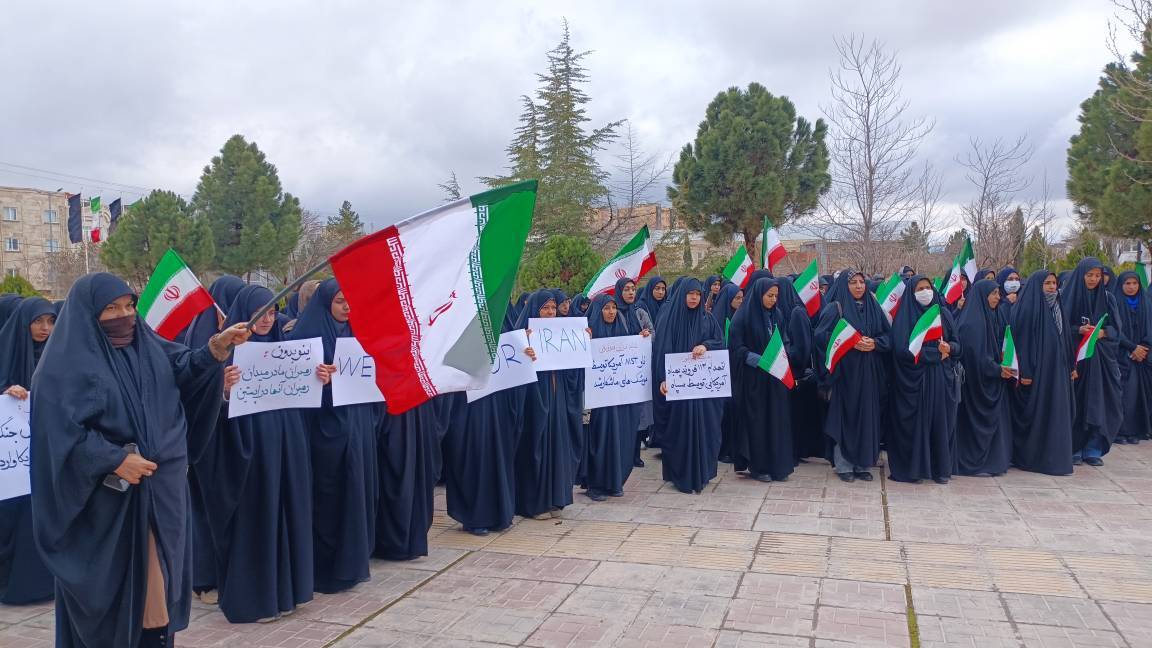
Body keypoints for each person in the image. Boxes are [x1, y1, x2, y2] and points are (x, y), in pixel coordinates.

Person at [31, 273, 248, 648]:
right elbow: (57, 433)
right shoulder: (62, 368)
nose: (124, 316)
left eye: (129, 306)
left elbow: (183, 368)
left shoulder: (147, 347)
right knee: (119, 601)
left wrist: (215, 348)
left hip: (159, 496)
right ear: (89, 314)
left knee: (157, 597)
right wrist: (113, 458)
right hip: (107, 506)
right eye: (111, 309)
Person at [204, 285, 324, 622]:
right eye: (261, 314)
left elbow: (302, 400)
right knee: (258, 517)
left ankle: (289, 592)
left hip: (288, 450)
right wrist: (223, 390)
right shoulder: (226, 355)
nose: (268, 320)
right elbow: (204, 411)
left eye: (273, 312)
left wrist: (319, 379)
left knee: (288, 511)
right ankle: (255, 598)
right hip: (250, 455)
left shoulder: (287, 350)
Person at [288, 279, 379, 593]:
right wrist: (318, 380)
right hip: (323, 436)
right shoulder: (305, 337)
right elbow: (294, 391)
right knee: (326, 501)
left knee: (355, 495)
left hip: (356, 431)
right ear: (326, 303)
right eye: (340, 301)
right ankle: (323, 570)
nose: (347, 307)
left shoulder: (358, 334)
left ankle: (351, 565)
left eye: (350, 300)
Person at [180, 273, 244, 604]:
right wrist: (220, 388)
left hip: (237, 437)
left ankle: (232, 573)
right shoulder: (198, 340)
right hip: (206, 438)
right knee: (205, 507)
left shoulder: (247, 339)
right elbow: (186, 389)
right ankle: (204, 579)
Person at [444, 321, 527, 535]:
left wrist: (526, 355)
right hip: (467, 409)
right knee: (473, 456)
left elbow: (514, 363)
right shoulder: (459, 322)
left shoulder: (502, 323)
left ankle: (499, 514)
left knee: (496, 457)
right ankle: (474, 518)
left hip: (498, 407)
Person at [0, 298, 57, 605]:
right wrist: (5, 391)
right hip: (11, 464)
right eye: (38, 321)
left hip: (45, 456)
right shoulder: (5, 353)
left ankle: (39, 585)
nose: (45, 328)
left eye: (51, 321)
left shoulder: (58, 357)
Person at [815, 270, 891, 483]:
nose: (859, 286)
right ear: (844, 286)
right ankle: (844, 465)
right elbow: (821, 337)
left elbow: (888, 336)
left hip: (869, 375)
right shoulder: (835, 308)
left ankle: (862, 464)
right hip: (845, 376)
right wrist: (850, 342)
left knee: (867, 418)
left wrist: (875, 343)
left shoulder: (873, 307)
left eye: (861, 282)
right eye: (853, 283)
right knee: (846, 418)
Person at [887, 276, 962, 484]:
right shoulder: (905, 317)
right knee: (914, 427)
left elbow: (958, 345)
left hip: (941, 382)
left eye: (928, 287)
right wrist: (936, 355)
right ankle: (913, 470)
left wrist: (950, 348)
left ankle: (939, 470)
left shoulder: (943, 314)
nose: (925, 292)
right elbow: (902, 350)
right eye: (919, 289)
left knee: (940, 425)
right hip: (913, 383)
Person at [654, 279, 725, 493]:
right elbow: (661, 351)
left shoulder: (708, 319)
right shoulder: (670, 320)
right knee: (680, 430)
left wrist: (706, 345)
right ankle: (681, 475)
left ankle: (702, 472)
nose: (694, 298)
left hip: (703, 391)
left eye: (698, 294)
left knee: (705, 429)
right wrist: (663, 378)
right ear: (682, 295)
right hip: (679, 389)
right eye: (690, 294)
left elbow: (720, 342)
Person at [515, 290, 581, 519]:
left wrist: (582, 342)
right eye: (545, 308)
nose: (551, 312)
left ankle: (555, 499)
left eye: (553, 308)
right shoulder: (522, 336)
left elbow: (574, 371)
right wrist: (523, 350)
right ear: (535, 309)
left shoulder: (562, 334)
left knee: (557, 445)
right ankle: (535, 504)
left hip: (557, 399)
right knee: (536, 445)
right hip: (534, 402)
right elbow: (512, 372)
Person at [728, 278, 796, 482]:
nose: (773, 300)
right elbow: (736, 348)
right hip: (753, 380)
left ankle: (778, 466)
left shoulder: (778, 314)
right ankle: (759, 467)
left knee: (776, 420)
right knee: (758, 423)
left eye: (776, 296)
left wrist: (782, 355)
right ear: (759, 294)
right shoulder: (743, 316)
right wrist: (759, 360)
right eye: (769, 295)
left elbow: (785, 339)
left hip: (775, 377)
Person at [1010, 271, 1074, 475]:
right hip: (1037, 374)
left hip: (1056, 372)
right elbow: (1023, 343)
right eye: (1047, 283)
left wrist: (1071, 366)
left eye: (1054, 283)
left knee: (1055, 413)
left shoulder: (1058, 306)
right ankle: (1032, 458)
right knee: (1037, 415)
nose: (1052, 287)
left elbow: (1065, 339)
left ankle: (1054, 458)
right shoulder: (1028, 308)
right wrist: (1026, 372)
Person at [583, 294, 646, 500]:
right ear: (598, 311)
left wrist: (641, 339)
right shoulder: (589, 334)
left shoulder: (623, 332)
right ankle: (595, 485)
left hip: (620, 398)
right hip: (599, 402)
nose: (611, 312)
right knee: (600, 439)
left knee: (620, 438)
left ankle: (614, 482)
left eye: (613, 308)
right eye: (606, 308)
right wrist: (585, 342)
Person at [1062, 258, 1123, 466]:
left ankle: (1093, 449)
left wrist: (1103, 332)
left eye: (1098, 275)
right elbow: (1061, 327)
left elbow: (1116, 328)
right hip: (1077, 359)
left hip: (1101, 360)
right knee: (1078, 402)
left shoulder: (1107, 298)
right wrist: (1078, 330)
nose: (1094, 279)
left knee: (1101, 402)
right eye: (1089, 275)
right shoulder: (1068, 297)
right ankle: (1074, 448)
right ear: (1081, 275)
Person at [374, 398, 446, 560]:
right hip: (411, 405)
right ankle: (407, 538)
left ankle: (395, 541)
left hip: (399, 406)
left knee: (400, 465)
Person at [955, 280, 1013, 476]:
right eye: (993, 293)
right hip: (975, 383)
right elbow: (977, 356)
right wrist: (996, 369)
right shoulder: (972, 323)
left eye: (998, 293)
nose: (998, 297)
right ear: (982, 295)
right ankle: (974, 462)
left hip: (989, 379)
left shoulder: (989, 316)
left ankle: (990, 461)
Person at [1113, 270, 1152, 444]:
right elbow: (1114, 329)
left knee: (1137, 395)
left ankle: (1135, 431)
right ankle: (1120, 432)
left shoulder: (1146, 302)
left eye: (1135, 283)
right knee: (1123, 395)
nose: (1131, 287)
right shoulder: (1114, 302)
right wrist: (1131, 347)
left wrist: (1142, 348)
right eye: (1127, 283)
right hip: (1121, 355)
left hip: (1142, 356)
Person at [713, 282, 744, 463]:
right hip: (720, 374)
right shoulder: (716, 320)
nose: (740, 301)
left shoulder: (740, 319)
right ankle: (721, 449)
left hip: (736, 372)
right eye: (737, 298)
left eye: (742, 298)